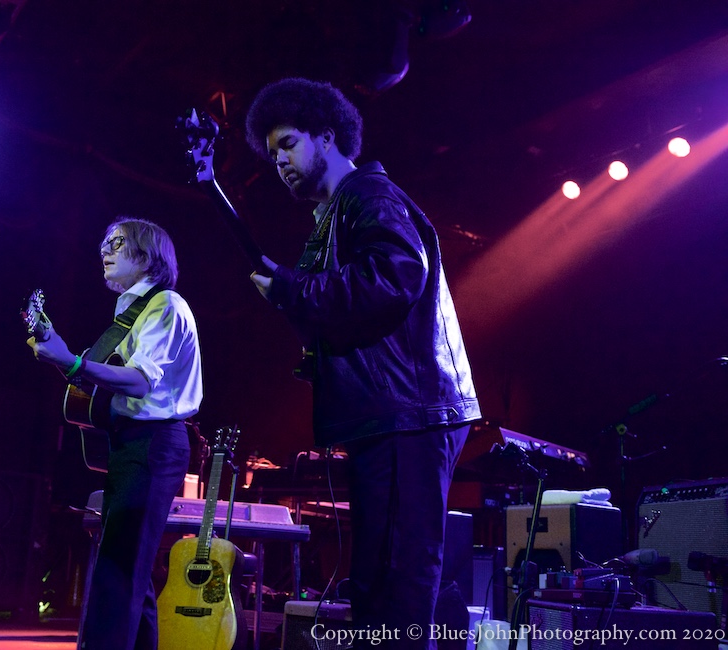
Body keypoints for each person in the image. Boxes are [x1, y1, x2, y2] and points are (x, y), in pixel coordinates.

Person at [244, 78, 481, 647]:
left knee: (398, 576)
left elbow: (397, 275)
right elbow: (332, 303)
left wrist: (295, 290)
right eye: (272, 151)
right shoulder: (332, 216)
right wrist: (291, 295)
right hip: (391, 413)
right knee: (376, 577)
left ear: (327, 137)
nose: (279, 161)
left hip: (410, 412)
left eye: (288, 143)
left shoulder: (368, 196)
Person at [28, 217, 202, 650]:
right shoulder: (128, 315)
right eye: (104, 243)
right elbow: (99, 381)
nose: (104, 251)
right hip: (131, 445)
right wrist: (61, 353)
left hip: (153, 444)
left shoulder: (164, 305)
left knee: (118, 568)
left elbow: (140, 381)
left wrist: (70, 363)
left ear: (145, 257)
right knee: (131, 573)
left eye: (117, 244)